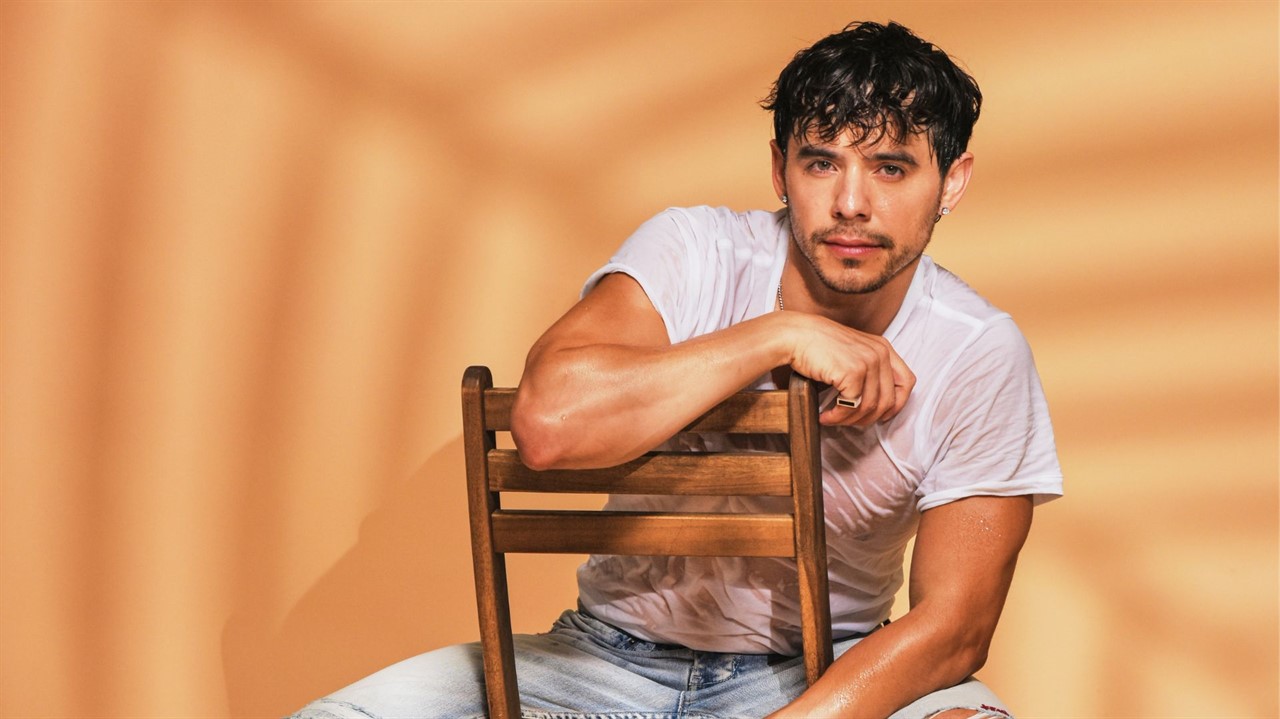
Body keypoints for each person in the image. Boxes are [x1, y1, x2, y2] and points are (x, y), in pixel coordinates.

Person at [291, 20, 1062, 719]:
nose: (850, 202)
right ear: (779, 169)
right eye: (820, 162)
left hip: (822, 673)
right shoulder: (696, 253)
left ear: (951, 181)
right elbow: (549, 423)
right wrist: (776, 335)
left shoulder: (977, 351)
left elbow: (955, 629)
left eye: (891, 169)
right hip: (601, 660)